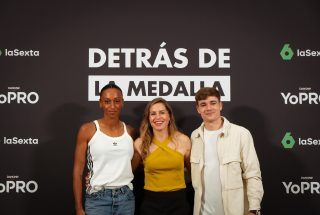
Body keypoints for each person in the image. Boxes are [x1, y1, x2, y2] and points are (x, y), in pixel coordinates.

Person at [190, 87, 264, 215]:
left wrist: (253, 209)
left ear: (220, 105)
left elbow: (252, 174)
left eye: (213, 103)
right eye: (203, 104)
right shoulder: (194, 136)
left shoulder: (241, 134)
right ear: (198, 109)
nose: (208, 108)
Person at [73, 83, 135, 215]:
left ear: (122, 102)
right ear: (100, 103)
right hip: (97, 200)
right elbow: (78, 171)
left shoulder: (130, 131)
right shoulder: (87, 130)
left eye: (116, 101)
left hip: (126, 199)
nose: (112, 106)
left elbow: (133, 164)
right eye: (107, 101)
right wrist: (78, 208)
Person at [132, 97, 191, 215]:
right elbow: (128, 173)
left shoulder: (183, 140)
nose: (157, 117)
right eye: (153, 114)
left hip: (178, 203)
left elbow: (194, 173)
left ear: (169, 116)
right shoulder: (140, 143)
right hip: (151, 203)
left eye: (162, 112)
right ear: (148, 119)